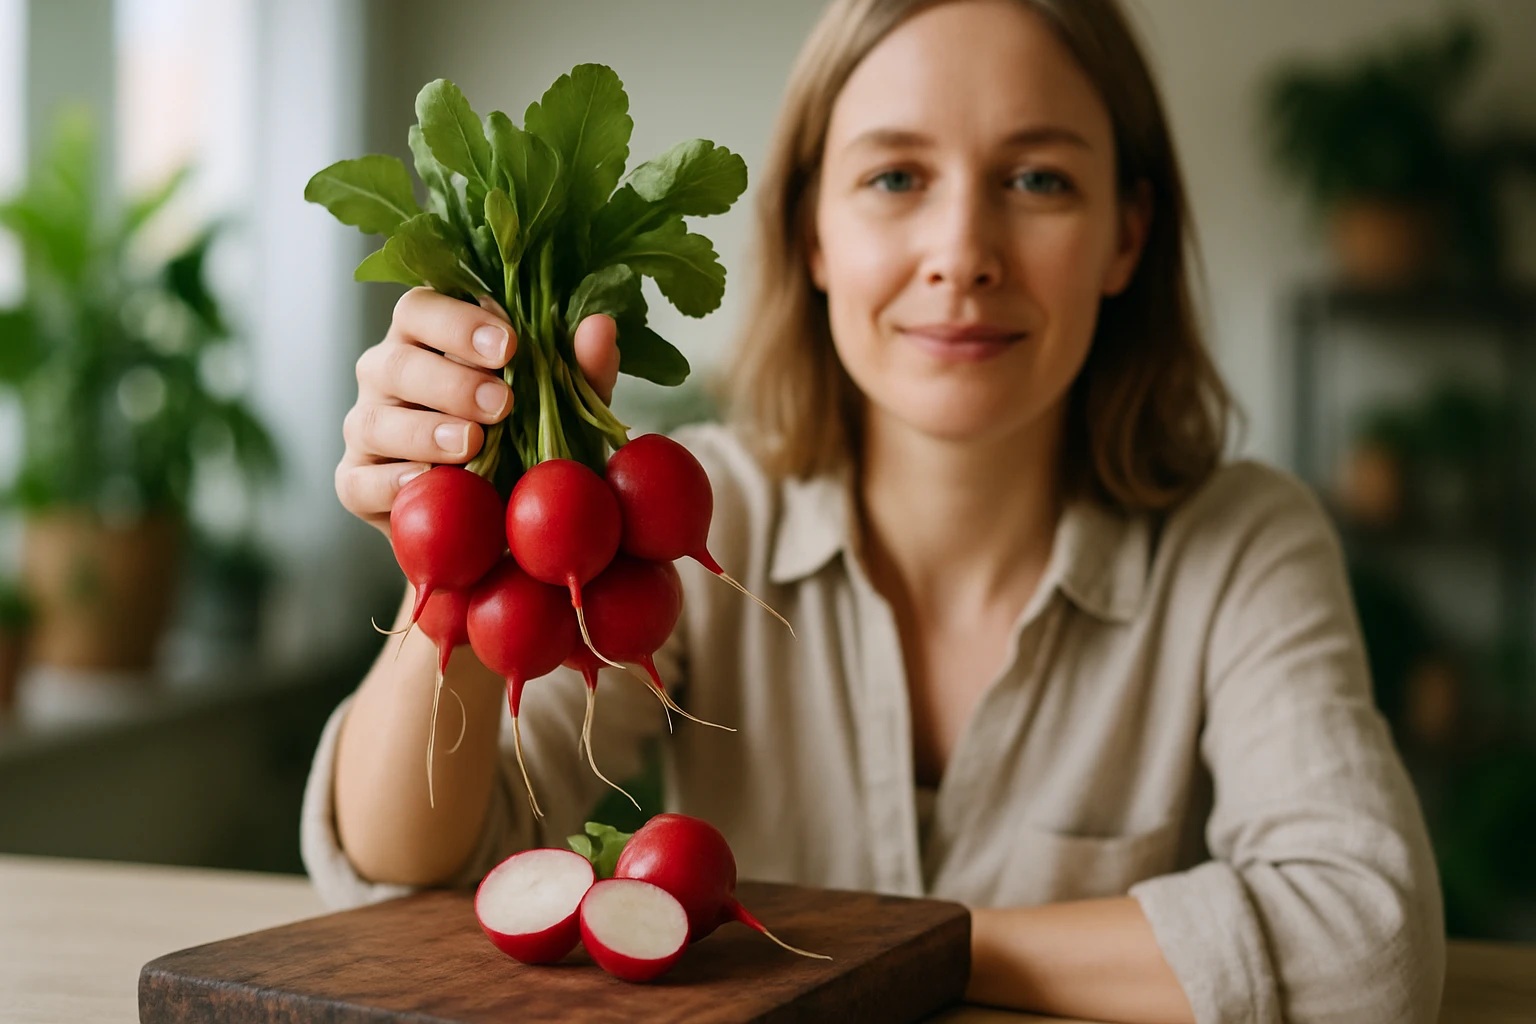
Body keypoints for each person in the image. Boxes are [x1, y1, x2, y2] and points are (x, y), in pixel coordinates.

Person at [304, 0, 1445, 1020]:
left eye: (1038, 179)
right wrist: (459, 546)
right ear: (812, 232)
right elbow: (412, 879)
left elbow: (1367, 951)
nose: (962, 255)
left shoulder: (1244, 541)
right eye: (896, 178)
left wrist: (883, 952)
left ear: (1126, 235)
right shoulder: (701, 516)